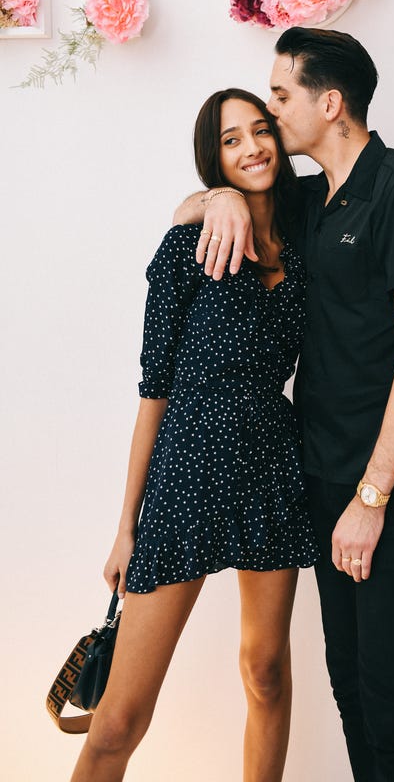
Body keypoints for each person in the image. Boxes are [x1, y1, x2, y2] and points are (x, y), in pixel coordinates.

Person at [175, 28, 394, 782]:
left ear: (330, 101)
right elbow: (190, 208)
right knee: (350, 696)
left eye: (279, 97)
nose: (271, 116)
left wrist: (371, 499)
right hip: (325, 486)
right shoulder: (312, 198)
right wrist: (217, 198)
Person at [69, 88, 321, 782]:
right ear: (214, 159)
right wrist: (128, 525)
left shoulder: (306, 242)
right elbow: (153, 388)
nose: (252, 148)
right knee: (118, 719)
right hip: (185, 473)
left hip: (272, 468)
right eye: (231, 140)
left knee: (266, 672)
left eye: (260, 131)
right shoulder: (188, 245)